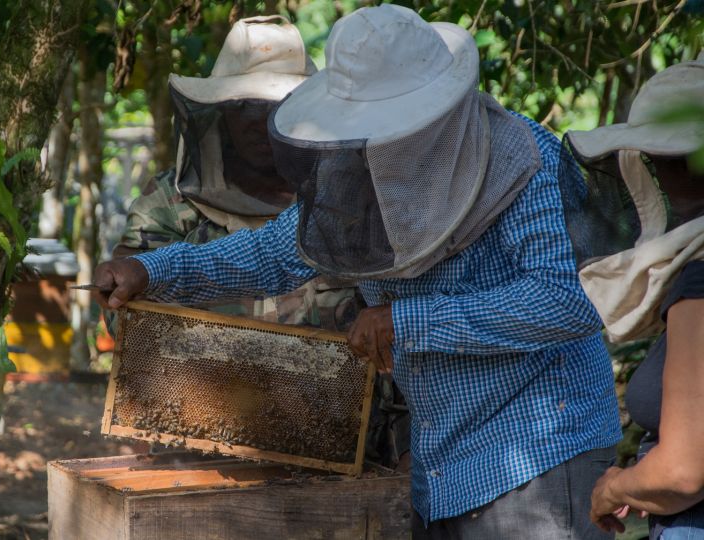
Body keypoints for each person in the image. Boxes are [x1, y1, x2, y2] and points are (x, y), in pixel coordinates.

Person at [95, 5, 621, 538]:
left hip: (539, 455)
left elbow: (571, 300)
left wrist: (407, 321)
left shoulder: (527, 162)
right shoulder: (358, 168)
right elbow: (272, 253)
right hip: (440, 464)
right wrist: (152, 269)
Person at [113, 15, 409, 468]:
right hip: (203, 449)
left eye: (273, 105)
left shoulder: (350, 201)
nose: (258, 120)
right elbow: (130, 327)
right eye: (243, 106)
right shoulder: (169, 204)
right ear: (219, 114)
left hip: (352, 444)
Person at [560, 54, 704, 539]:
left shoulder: (699, 284)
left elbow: (683, 472)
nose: (664, 172)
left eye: (670, 159)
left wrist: (616, 488)